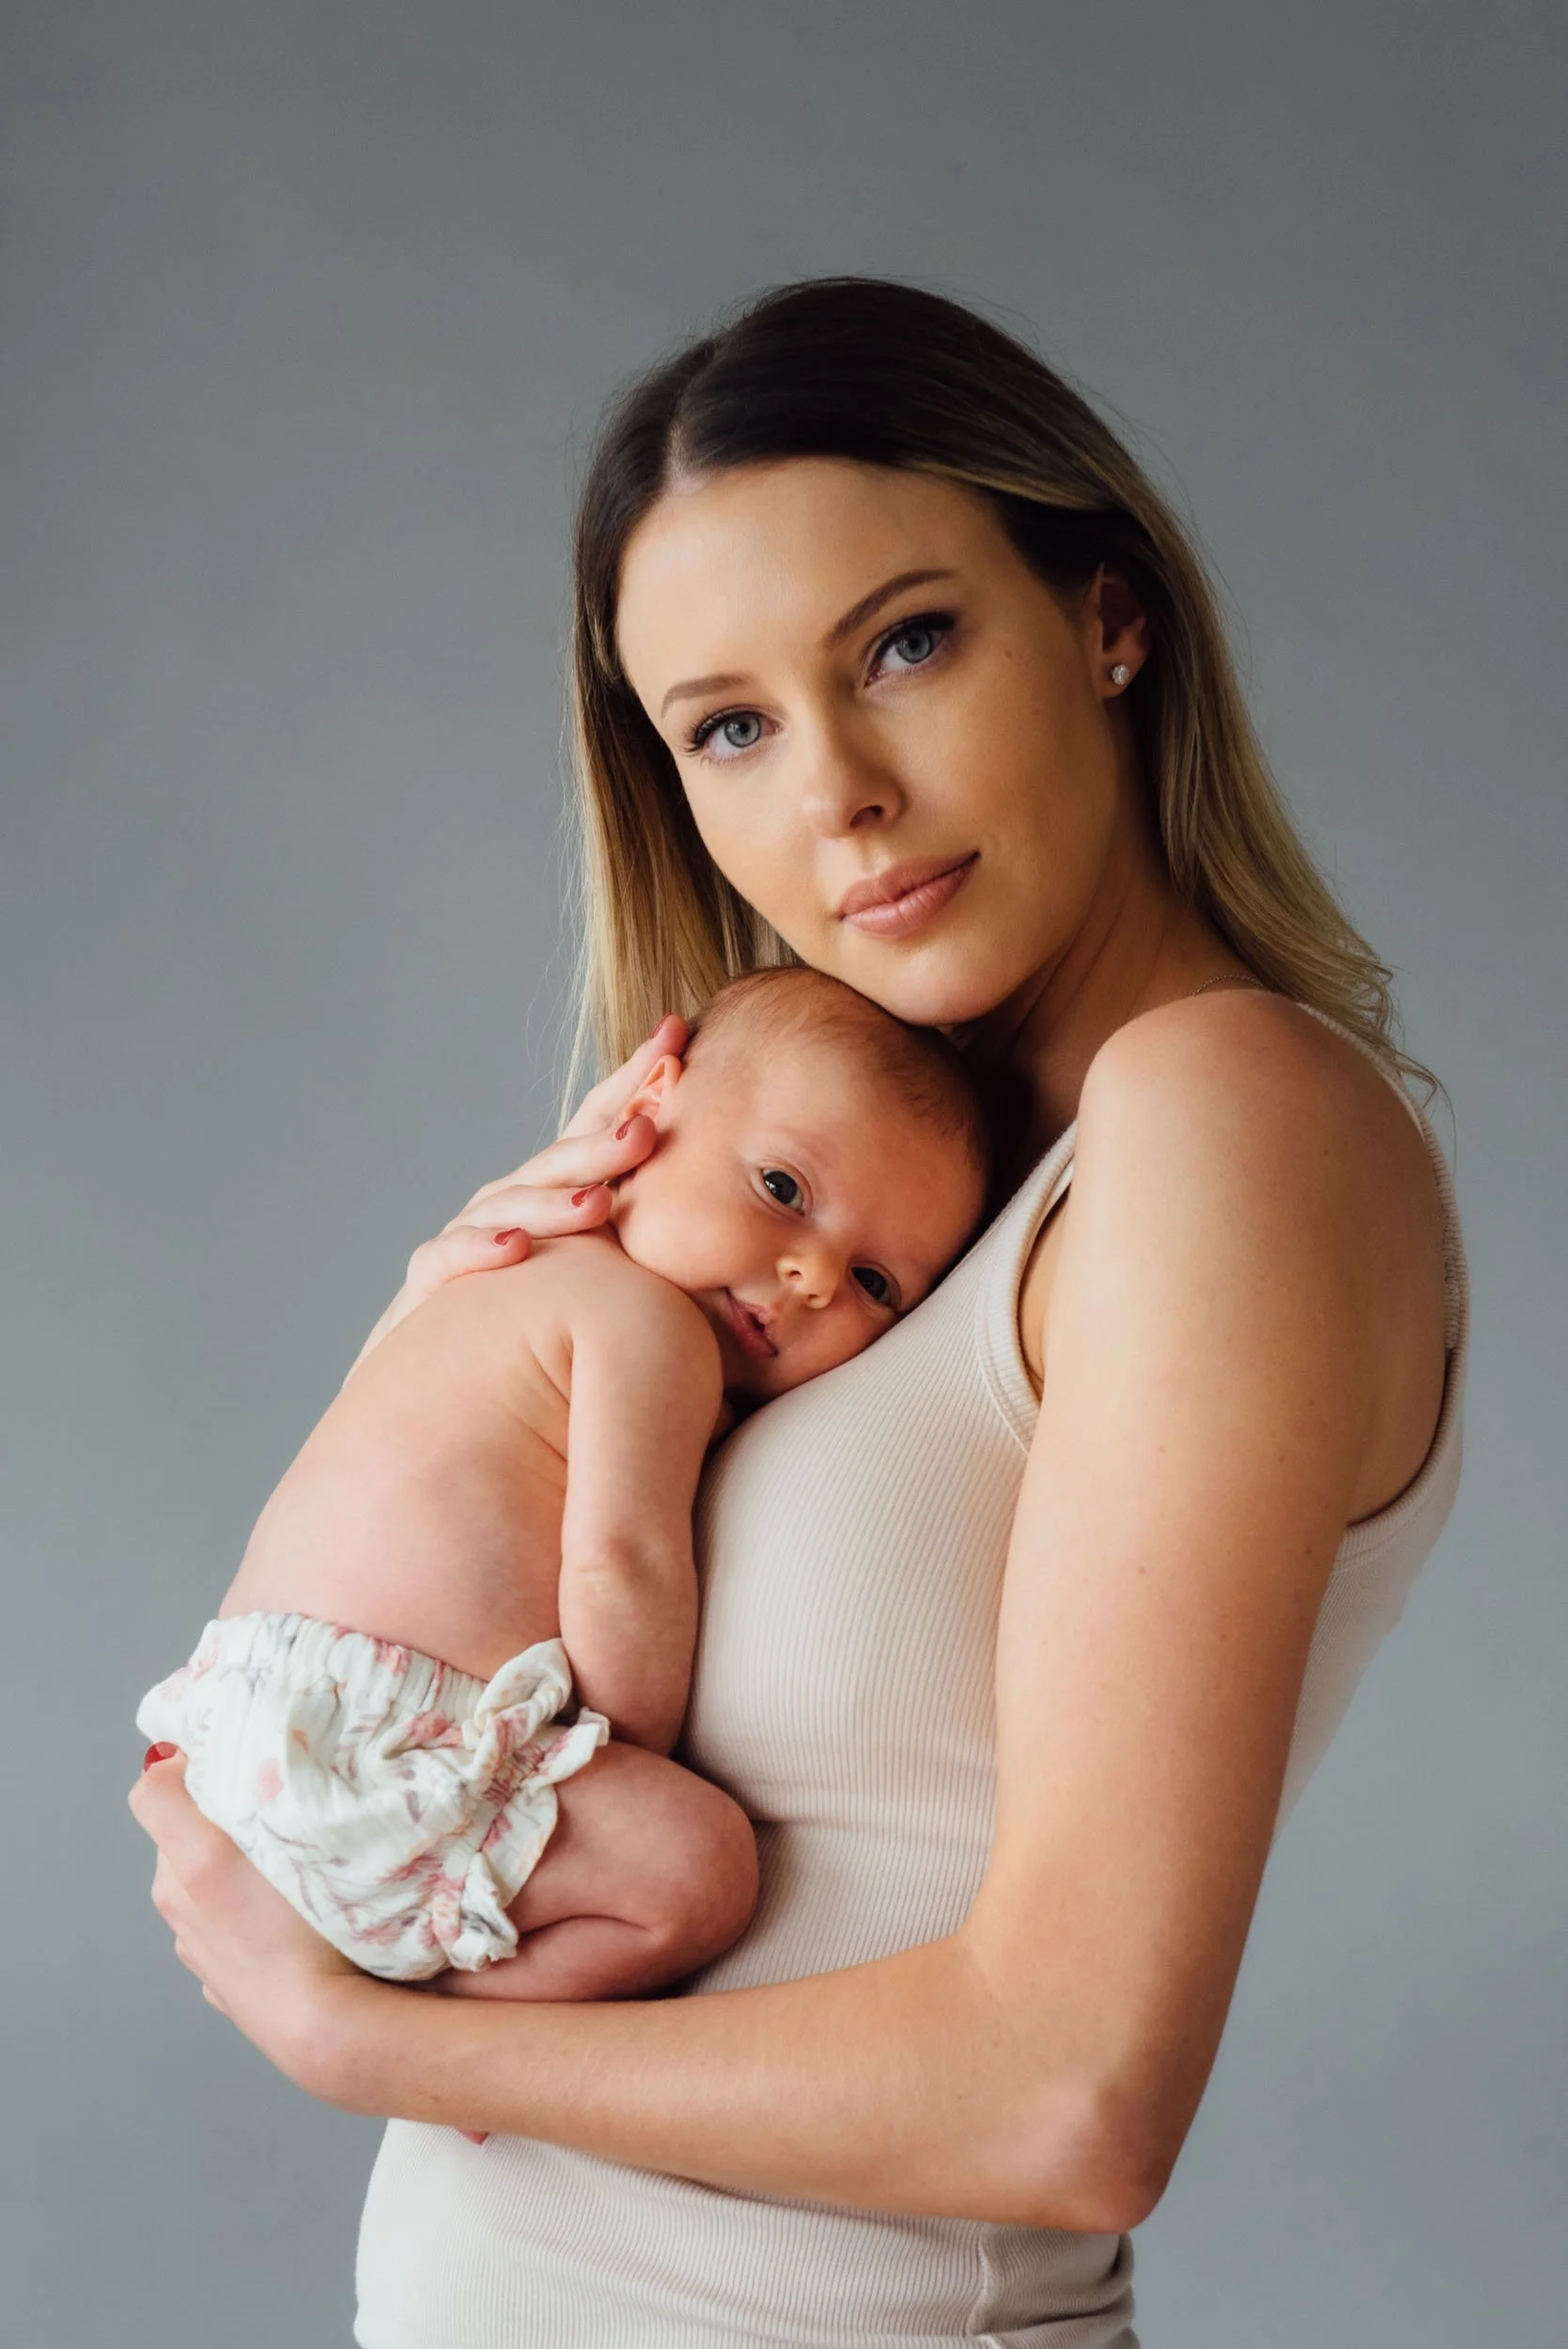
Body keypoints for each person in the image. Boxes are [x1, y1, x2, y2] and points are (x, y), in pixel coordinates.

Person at [131, 277, 1468, 2348]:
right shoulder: (835, 1217)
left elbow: (1072, 2093)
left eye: (906, 642)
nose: (833, 789)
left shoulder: (1220, 1117)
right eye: (730, 724)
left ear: (1109, 618)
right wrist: (452, 1351)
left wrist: (367, 2039)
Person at [134, 966, 986, 1999]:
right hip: (384, 1743)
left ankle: (385, 1998)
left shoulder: (503, 1266)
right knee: (696, 1865)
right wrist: (613, 1773)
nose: (811, 1273)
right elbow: (620, 1568)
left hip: (255, 1727)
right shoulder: (646, 1324)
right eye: (782, 1188)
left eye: (874, 1283)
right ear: (643, 1111)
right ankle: (464, 2033)